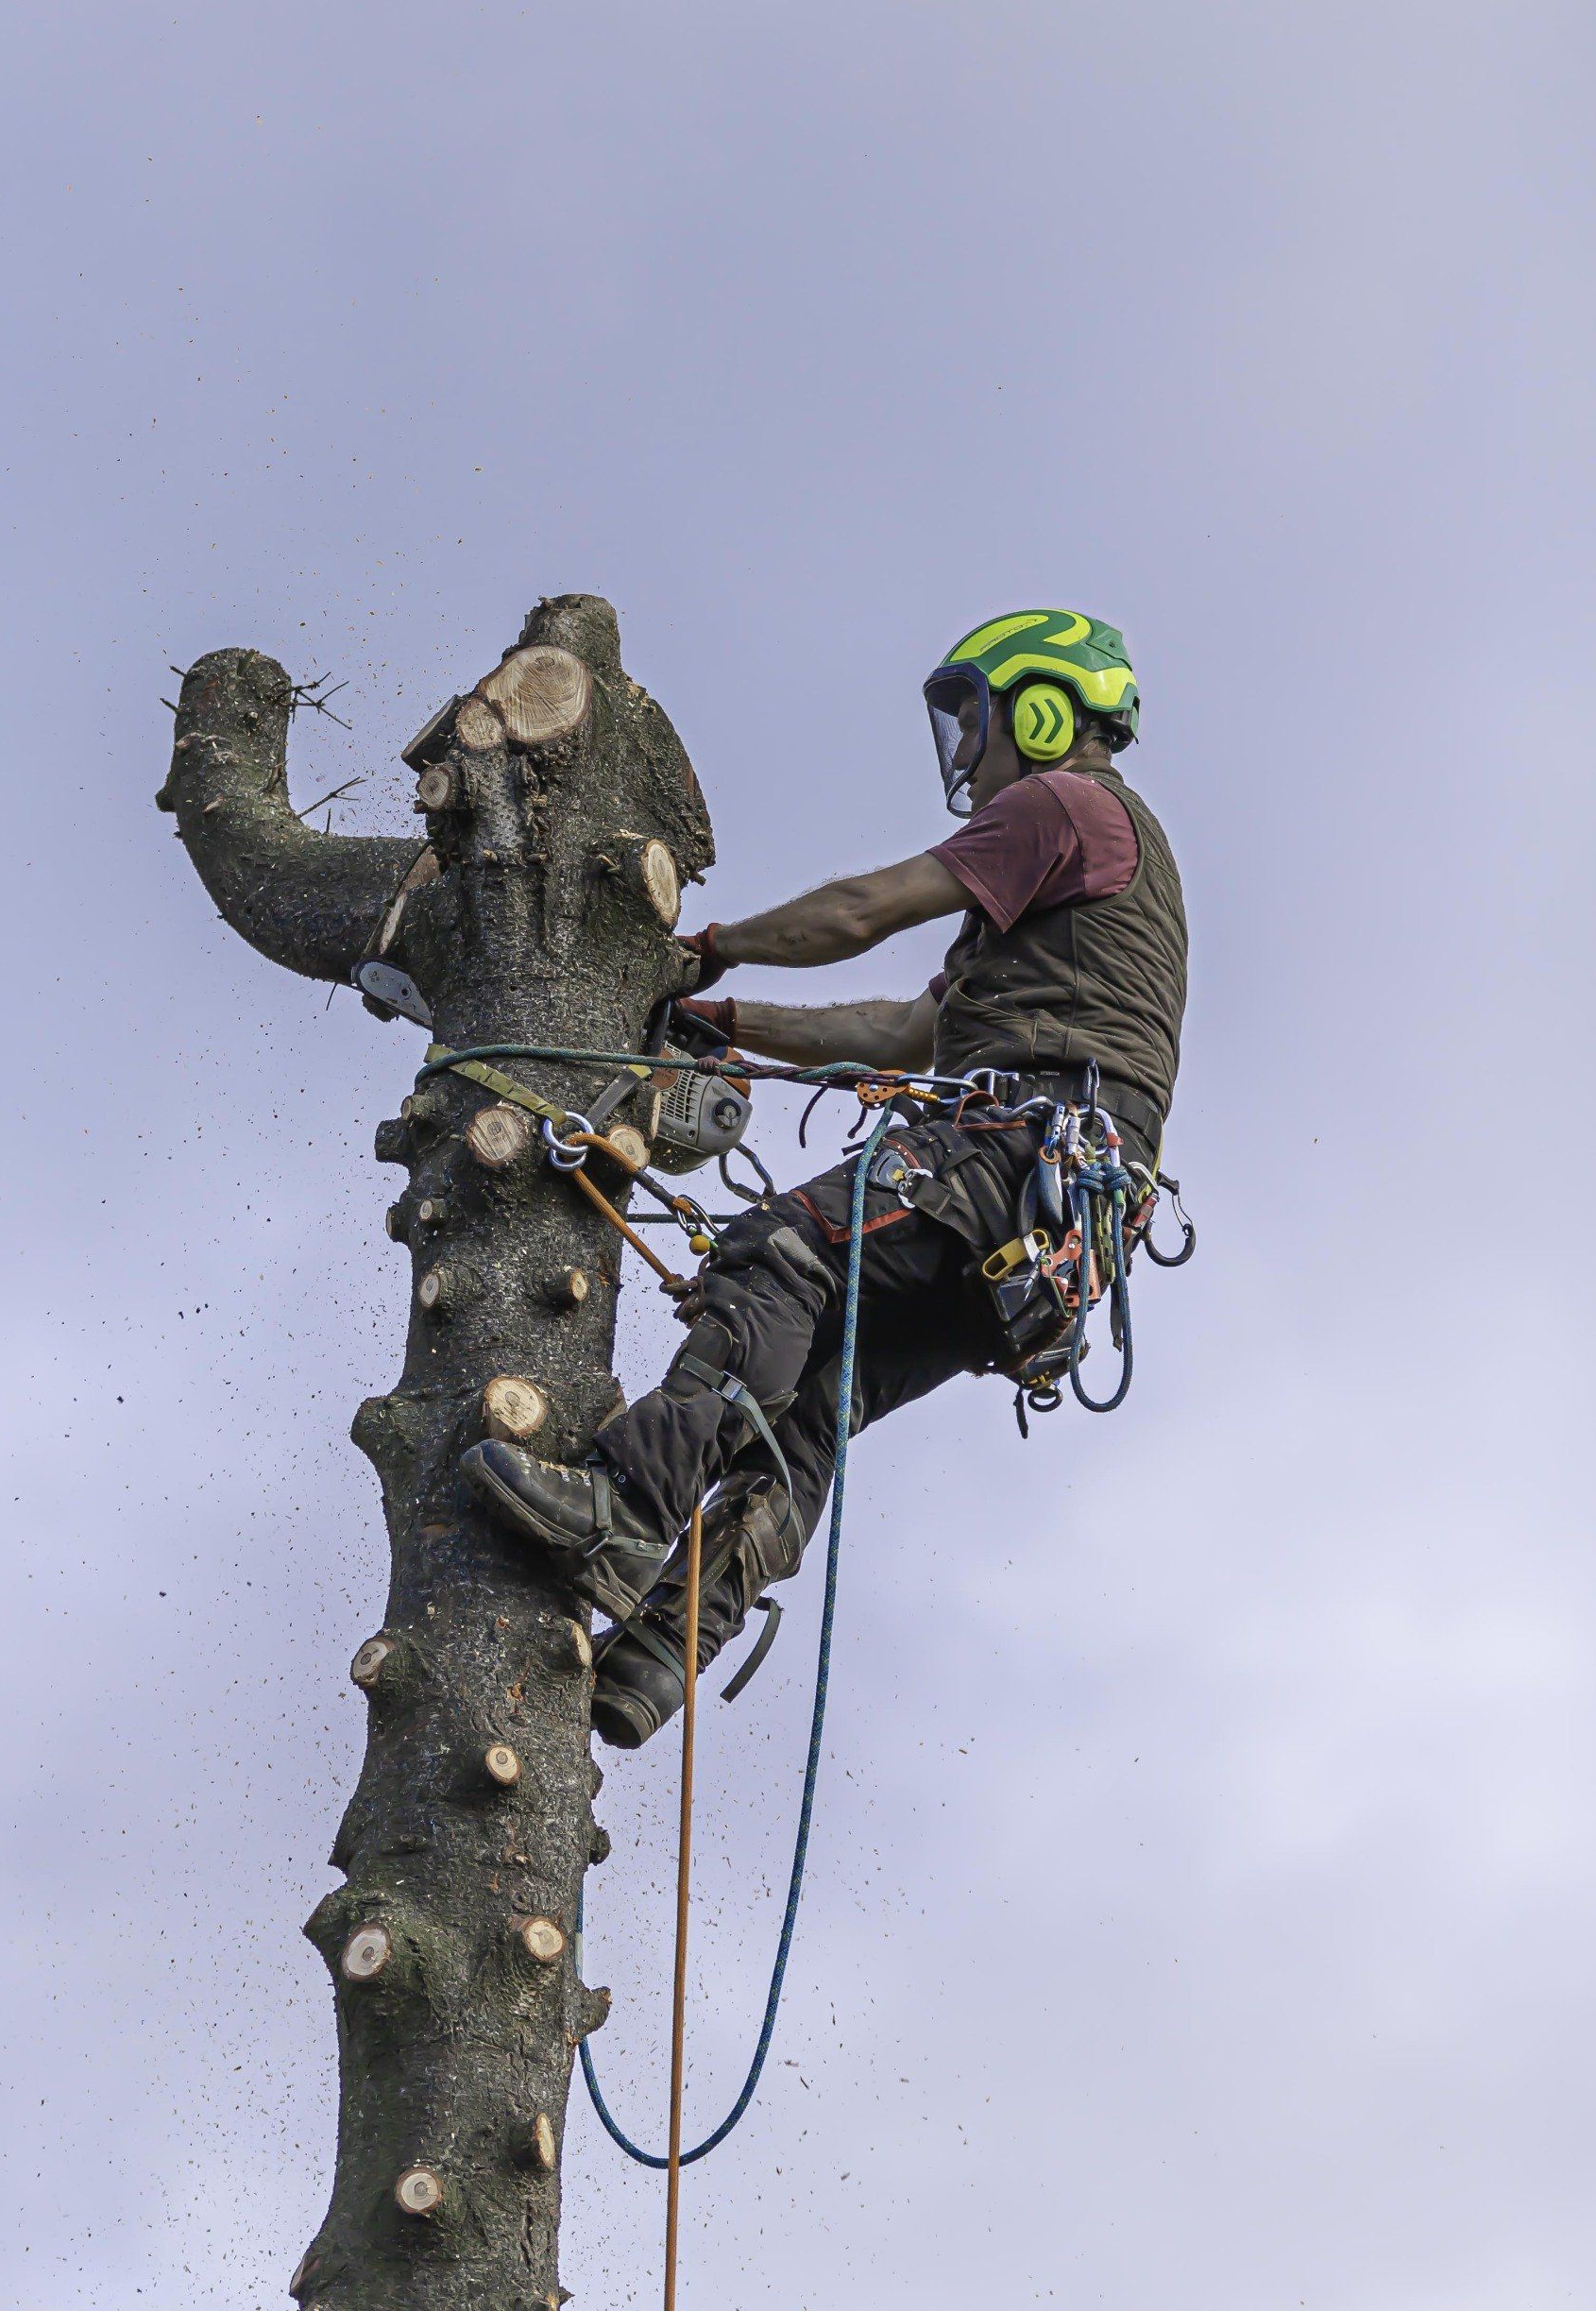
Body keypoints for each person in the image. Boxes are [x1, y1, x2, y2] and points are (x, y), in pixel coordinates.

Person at [461, 609, 1189, 1747]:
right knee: (819, 1398)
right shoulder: (1069, 896)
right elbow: (902, 1028)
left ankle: (623, 1505)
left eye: (978, 716)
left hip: (1012, 1158)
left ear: (1043, 708)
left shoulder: (1059, 806)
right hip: (1056, 1236)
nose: (967, 749)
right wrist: (725, 1023)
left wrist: (711, 947)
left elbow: (864, 912)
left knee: (779, 1252)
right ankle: (656, 1654)